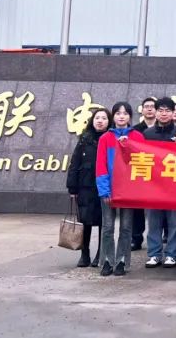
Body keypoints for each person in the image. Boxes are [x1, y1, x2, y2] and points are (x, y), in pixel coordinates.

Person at [95, 101, 143, 276]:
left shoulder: (137, 137)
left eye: (125, 113)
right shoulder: (105, 138)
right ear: (113, 116)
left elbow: (141, 163)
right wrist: (104, 190)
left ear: (130, 116)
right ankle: (107, 261)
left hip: (128, 190)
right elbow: (101, 166)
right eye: (118, 113)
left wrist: (127, 146)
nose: (121, 116)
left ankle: (122, 261)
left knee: (126, 227)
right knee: (107, 227)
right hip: (109, 190)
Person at [67, 106, 110, 268]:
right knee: (85, 221)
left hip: (104, 187)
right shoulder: (84, 139)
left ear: (109, 122)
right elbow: (74, 163)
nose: (100, 121)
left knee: (104, 222)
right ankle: (84, 254)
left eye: (104, 118)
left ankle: (100, 254)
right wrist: (72, 187)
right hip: (85, 186)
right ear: (93, 120)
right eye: (97, 118)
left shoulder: (111, 139)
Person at [142, 98, 176, 269]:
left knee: (174, 222)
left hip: (175, 185)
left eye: (167, 110)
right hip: (154, 185)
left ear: (173, 113)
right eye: (160, 110)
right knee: (154, 222)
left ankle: (172, 254)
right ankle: (154, 254)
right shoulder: (147, 134)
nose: (164, 114)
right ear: (156, 112)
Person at [129, 97, 159, 250]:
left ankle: (162, 237)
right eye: (146, 106)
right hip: (141, 171)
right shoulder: (135, 130)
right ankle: (136, 238)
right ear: (142, 110)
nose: (149, 109)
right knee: (137, 208)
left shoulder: (163, 128)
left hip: (160, 173)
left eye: (152, 106)